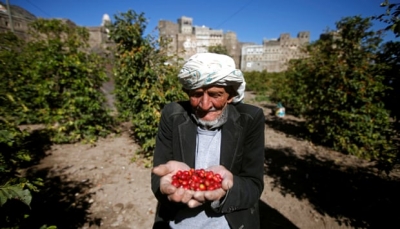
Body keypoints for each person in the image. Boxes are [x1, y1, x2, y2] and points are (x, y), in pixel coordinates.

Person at [151, 52, 265, 229]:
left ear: (231, 95)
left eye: (215, 95)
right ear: (187, 92)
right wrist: (169, 187)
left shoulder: (250, 119)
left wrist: (227, 189)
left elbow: (253, 184)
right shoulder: (172, 115)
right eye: (196, 94)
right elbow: (159, 176)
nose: (205, 104)